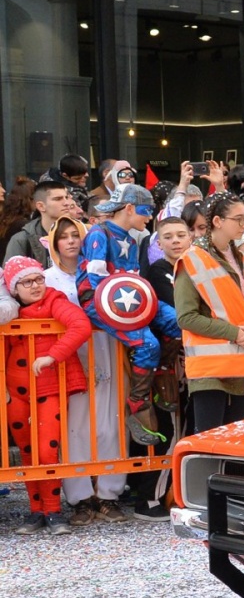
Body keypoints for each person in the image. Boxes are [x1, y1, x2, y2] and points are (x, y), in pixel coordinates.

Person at [42, 217, 128, 525]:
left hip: (105, 350)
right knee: (75, 427)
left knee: (109, 421)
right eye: (62, 236)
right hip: (69, 359)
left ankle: (108, 494)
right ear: (53, 243)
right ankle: (80, 497)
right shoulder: (47, 279)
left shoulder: (100, 271)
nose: (70, 241)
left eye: (75, 235)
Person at [81, 184, 181, 447]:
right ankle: (137, 402)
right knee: (148, 343)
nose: (149, 217)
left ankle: (160, 372)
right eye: (146, 211)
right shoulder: (98, 234)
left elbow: (133, 278)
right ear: (128, 208)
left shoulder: (131, 238)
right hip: (100, 302)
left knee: (180, 323)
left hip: (132, 298)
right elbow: (96, 281)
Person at [4, 256, 92, 536]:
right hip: (14, 392)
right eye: (27, 282)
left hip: (48, 388)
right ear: (14, 288)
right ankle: (36, 511)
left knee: (46, 450)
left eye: (39, 279)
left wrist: (52, 356)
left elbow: (81, 326)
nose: (35, 286)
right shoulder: (9, 311)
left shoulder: (55, 301)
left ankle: (53, 510)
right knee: (27, 452)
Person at [175, 192, 244, 432]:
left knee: (234, 441)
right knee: (208, 440)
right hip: (211, 370)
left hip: (243, 362)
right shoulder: (192, 259)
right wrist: (238, 333)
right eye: (238, 219)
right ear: (217, 221)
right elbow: (186, 317)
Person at [5, 179, 71, 264]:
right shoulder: (22, 240)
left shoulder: (81, 234)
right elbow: (12, 274)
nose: (66, 203)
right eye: (58, 199)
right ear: (41, 206)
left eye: (66, 197)